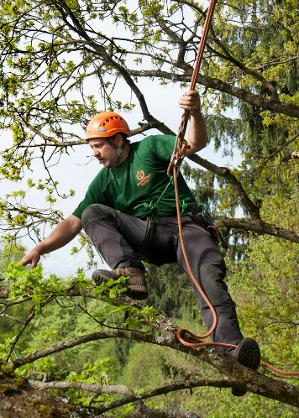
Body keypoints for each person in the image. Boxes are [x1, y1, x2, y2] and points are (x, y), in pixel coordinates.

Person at [20, 90, 260, 395]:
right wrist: (41, 247)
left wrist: (196, 111)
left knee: (210, 281)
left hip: (187, 227)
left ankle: (234, 354)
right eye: (92, 147)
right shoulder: (103, 182)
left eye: (98, 146)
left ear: (119, 141)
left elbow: (194, 144)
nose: (94, 153)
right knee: (93, 212)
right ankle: (129, 272)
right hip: (150, 236)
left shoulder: (149, 148)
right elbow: (72, 223)